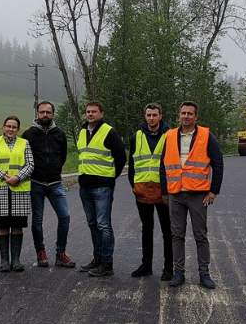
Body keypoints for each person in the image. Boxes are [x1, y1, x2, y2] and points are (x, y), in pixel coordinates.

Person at [161, 101, 224, 289]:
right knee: (176, 235)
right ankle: (178, 273)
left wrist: (213, 191)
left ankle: (204, 274)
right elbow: (162, 165)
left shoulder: (206, 136)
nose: (186, 116)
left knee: (200, 235)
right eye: (183, 113)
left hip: (198, 194)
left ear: (196, 117)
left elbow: (218, 163)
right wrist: (164, 191)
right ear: (178, 115)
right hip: (176, 194)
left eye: (190, 113)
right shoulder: (170, 135)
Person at [21, 101, 75, 268]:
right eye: (42, 112)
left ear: (53, 114)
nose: (45, 115)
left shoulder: (59, 133)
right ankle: (41, 253)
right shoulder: (28, 134)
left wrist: (56, 167)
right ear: (37, 113)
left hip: (55, 183)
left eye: (48, 112)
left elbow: (63, 155)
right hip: (35, 183)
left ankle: (61, 253)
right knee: (37, 221)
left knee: (64, 216)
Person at [76, 101, 126, 278]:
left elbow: (121, 157)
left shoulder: (108, 131)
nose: (90, 114)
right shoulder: (82, 132)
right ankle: (96, 259)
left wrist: (111, 177)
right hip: (85, 186)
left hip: (102, 186)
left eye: (94, 111)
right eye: (88, 111)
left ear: (101, 113)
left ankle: (107, 264)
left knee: (103, 225)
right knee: (92, 224)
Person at [128, 102, 172, 280]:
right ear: (145, 116)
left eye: (155, 115)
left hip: (164, 192)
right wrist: (133, 184)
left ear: (161, 116)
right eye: (148, 115)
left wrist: (170, 189)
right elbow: (132, 163)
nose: (151, 118)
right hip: (142, 190)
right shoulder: (136, 136)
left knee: (168, 231)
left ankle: (169, 268)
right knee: (147, 229)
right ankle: (146, 265)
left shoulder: (170, 136)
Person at [0, 116, 35, 273]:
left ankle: (16, 261)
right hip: (1, 189)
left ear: (18, 129)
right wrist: (5, 177)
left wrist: (18, 177)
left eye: (14, 127)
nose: (11, 129)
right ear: (3, 127)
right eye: (8, 126)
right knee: (3, 226)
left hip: (20, 190)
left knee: (18, 227)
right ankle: (4, 261)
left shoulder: (24, 143)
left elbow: (30, 164)